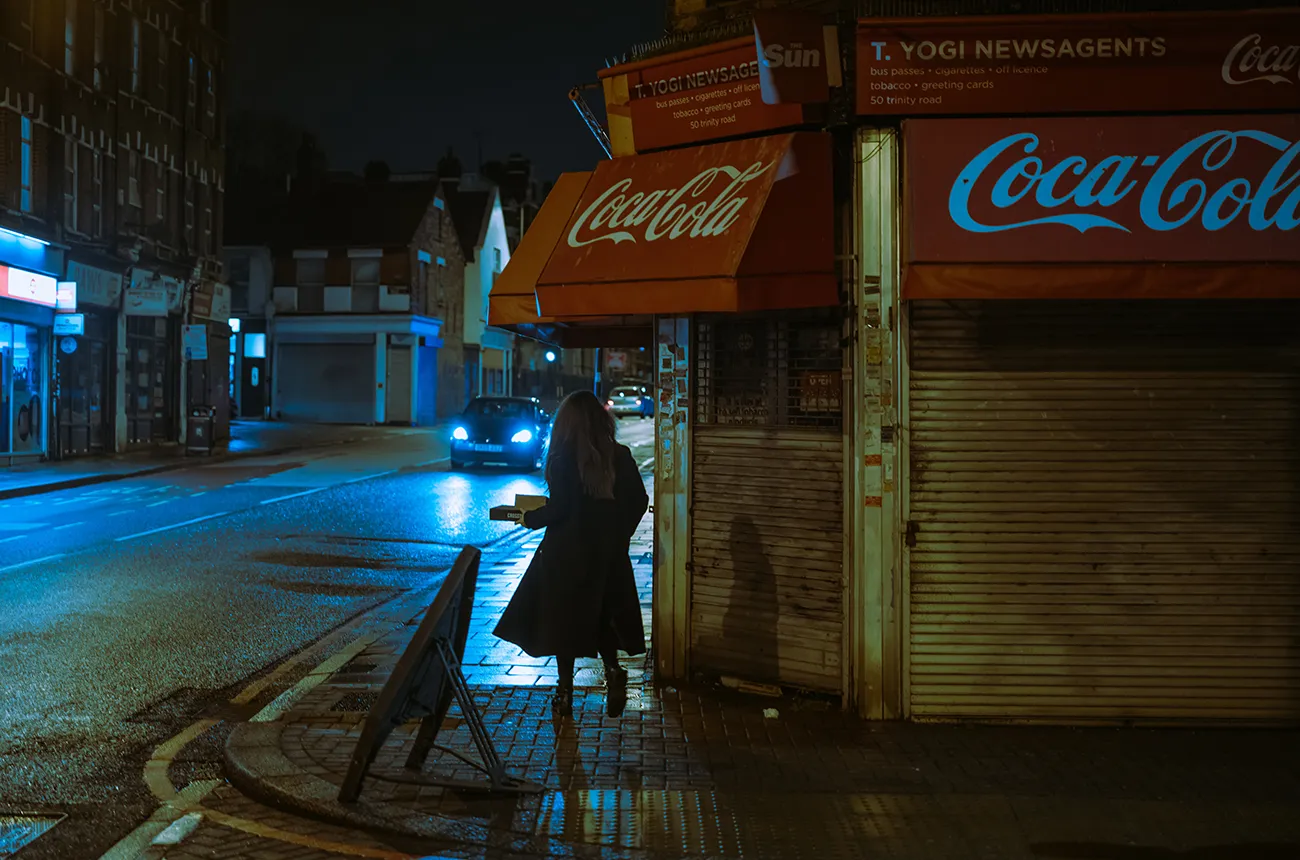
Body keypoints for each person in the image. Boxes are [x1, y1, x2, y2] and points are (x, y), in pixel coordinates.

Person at [493, 390, 648, 719]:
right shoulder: (619, 454)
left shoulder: (563, 458)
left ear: (566, 423)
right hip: (606, 555)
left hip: (566, 555)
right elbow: (638, 499)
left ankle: (564, 694)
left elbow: (561, 508)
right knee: (600, 614)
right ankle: (613, 670)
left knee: (563, 623)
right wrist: (619, 536)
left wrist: (530, 518)